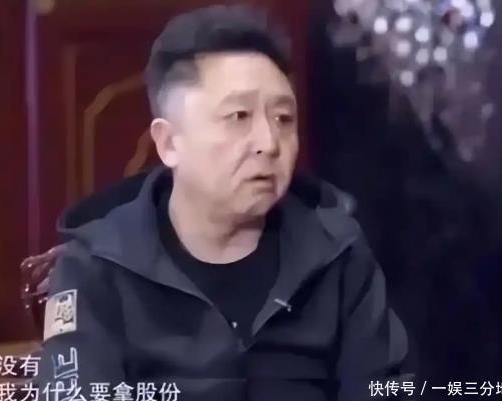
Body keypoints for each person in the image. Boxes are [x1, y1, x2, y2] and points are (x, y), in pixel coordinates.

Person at [33, 5, 411, 401]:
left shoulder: (337, 253)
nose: (269, 143)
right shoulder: (96, 266)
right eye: (239, 116)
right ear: (169, 143)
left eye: (284, 119)